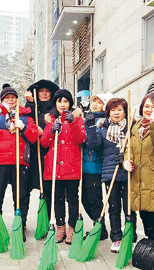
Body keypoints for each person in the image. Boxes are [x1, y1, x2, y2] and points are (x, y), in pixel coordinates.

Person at [0, 84, 39, 240]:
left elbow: (34, 137)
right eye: (7, 98)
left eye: (13, 97)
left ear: (17, 100)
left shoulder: (25, 116)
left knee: (21, 197)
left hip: (19, 161)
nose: (10, 100)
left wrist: (24, 127)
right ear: (2, 100)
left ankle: (19, 224)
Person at [86, 97, 136, 252]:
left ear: (125, 112)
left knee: (129, 207)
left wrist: (127, 156)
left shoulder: (131, 127)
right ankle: (117, 238)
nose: (116, 113)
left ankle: (130, 236)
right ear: (108, 112)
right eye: (113, 110)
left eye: (119, 110)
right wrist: (90, 128)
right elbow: (94, 145)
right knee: (113, 207)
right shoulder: (103, 127)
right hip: (110, 172)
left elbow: (137, 148)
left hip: (128, 171)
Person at [123, 93, 154, 243]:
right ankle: (152, 250)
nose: (149, 109)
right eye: (146, 106)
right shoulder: (136, 127)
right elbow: (130, 149)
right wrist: (127, 161)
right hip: (140, 179)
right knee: (145, 216)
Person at [40, 89, 86, 244]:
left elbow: (81, 138)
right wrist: (52, 130)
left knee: (73, 199)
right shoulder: (51, 119)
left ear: (70, 103)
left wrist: (72, 122)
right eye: (59, 101)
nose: (62, 104)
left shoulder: (77, 119)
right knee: (57, 199)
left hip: (71, 165)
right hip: (54, 167)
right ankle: (60, 226)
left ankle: (72, 228)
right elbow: (44, 142)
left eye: (65, 101)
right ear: (55, 103)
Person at [24, 79, 59, 213]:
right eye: (41, 91)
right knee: (25, 188)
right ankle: (23, 219)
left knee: (47, 187)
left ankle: (47, 217)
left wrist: (44, 132)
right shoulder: (31, 106)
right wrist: (31, 103)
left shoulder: (54, 110)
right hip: (32, 153)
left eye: (47, 91)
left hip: (48, 153)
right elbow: (28, 119)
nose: (44, 94)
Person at [82, 93, 112, 241]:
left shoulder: (104, 121)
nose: (95, 104)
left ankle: (100, 229)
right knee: (84, 199)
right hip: (83, 165)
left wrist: (90, 127)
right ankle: (98, 225)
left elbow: (95, 144)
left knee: (94, 199)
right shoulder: (86, 117)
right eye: (94, 101)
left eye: (99, 102)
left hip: (96, 166)